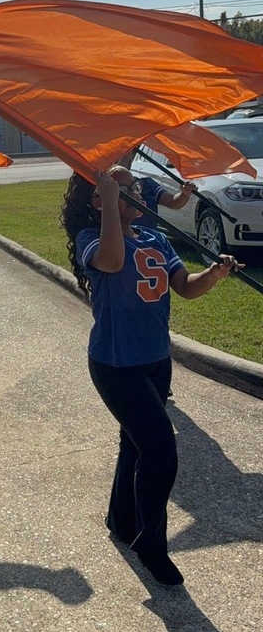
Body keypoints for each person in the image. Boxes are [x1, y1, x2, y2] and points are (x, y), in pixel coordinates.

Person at [61, 165, 241, 586]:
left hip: (156, 360)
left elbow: (185, 287)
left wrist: (213, 274)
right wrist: (110, 202)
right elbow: (112, 261)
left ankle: (121, 520)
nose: (139, 196)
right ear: (99, 200)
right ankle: (152, 545)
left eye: (139, 189)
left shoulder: (155, 238)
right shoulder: (91, 238)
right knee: (160, 450)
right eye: (128, 191)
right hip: (115, 363)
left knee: (135, 443)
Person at [118, 148, 195, 229]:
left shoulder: (147, 184)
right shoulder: (112, 188)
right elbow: (119, 174)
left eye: (132, 154)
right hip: (124, 235)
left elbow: (172, 202)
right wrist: (127, 150)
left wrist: (185, 194)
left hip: (149, 235)